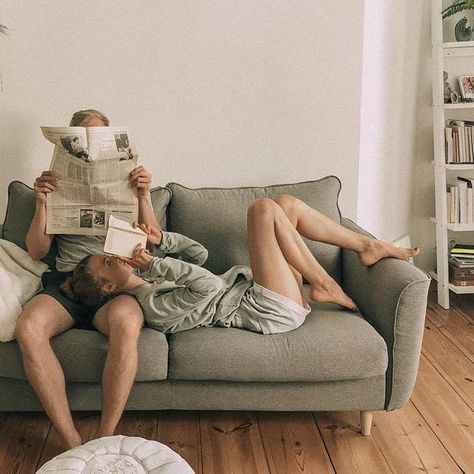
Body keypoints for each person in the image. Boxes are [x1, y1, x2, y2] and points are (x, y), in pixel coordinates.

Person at [60, 195, 420, 337]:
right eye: (109, 261)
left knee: (284, 205)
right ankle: (325, 283)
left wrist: (160, 243)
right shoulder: (152, 306)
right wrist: (155, 264)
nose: (116, 256)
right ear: (109, 287)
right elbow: (211, 286)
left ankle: (367, 246)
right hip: (268, 309)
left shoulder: (150, 275)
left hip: (260, 292)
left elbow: (199, 255)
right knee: (262, 210)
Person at [14, 109, 158, 450]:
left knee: (127, 324)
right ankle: (72, 441)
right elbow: (36, 251)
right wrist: (41, 202)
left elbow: (153, 241)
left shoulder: (131, 181)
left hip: (115, 281)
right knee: (28, 328)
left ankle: (105, 438)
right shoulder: (55, 183)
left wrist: (144, 195)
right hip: (67, 282)